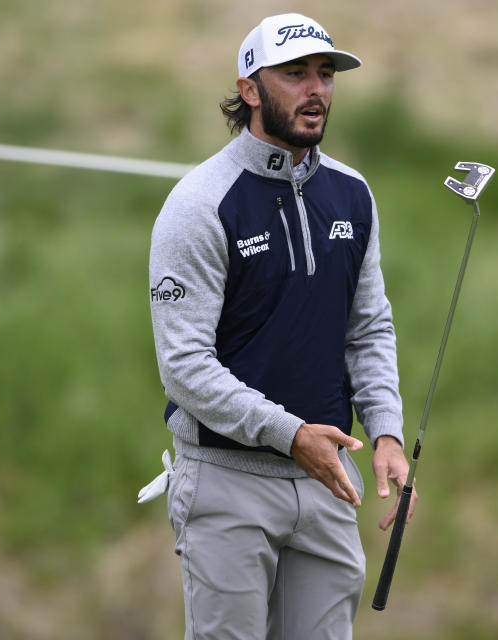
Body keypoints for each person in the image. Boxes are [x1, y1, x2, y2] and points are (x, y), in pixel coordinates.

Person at [144, 13, 416, 639]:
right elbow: (183, 367)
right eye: (295, 74)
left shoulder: (352, 193)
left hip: (327, 485)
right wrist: (291, 434)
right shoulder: (198, 204)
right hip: (225, 481)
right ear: (248, 88)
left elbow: (368, 328)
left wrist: (387, 434)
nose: (315, 89)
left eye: (325, 75)